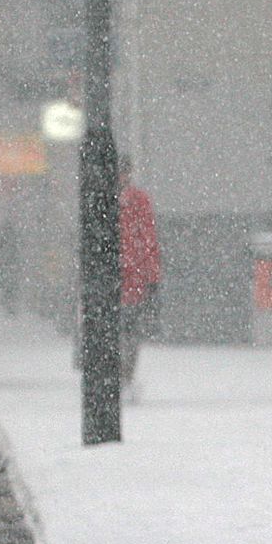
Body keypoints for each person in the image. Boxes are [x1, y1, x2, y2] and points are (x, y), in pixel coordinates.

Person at [117, 154, 162, 398]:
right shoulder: (136, 200)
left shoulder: (135, 201)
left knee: (127, 332)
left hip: (128, 280)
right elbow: (148, 240)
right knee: (127, 333)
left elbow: (148, 240)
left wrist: (151, 276)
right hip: (128, 280)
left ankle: (124, 376)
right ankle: (123, 376)